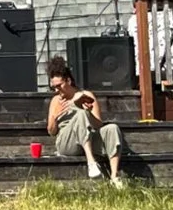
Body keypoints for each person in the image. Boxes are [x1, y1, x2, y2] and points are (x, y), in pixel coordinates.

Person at [46, 55, 129, 185]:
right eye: (54, 87)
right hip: (67, 143)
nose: (57, 90)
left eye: (59, 86)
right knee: (81, 114)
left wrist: (89, 113)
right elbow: (51, 132)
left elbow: (98, 125)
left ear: (68, 81)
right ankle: (91, 162)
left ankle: (114, 176)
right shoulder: (56, 100)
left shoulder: (87, 96)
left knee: (112, 128)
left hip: (88, 138)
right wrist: (54, 117)